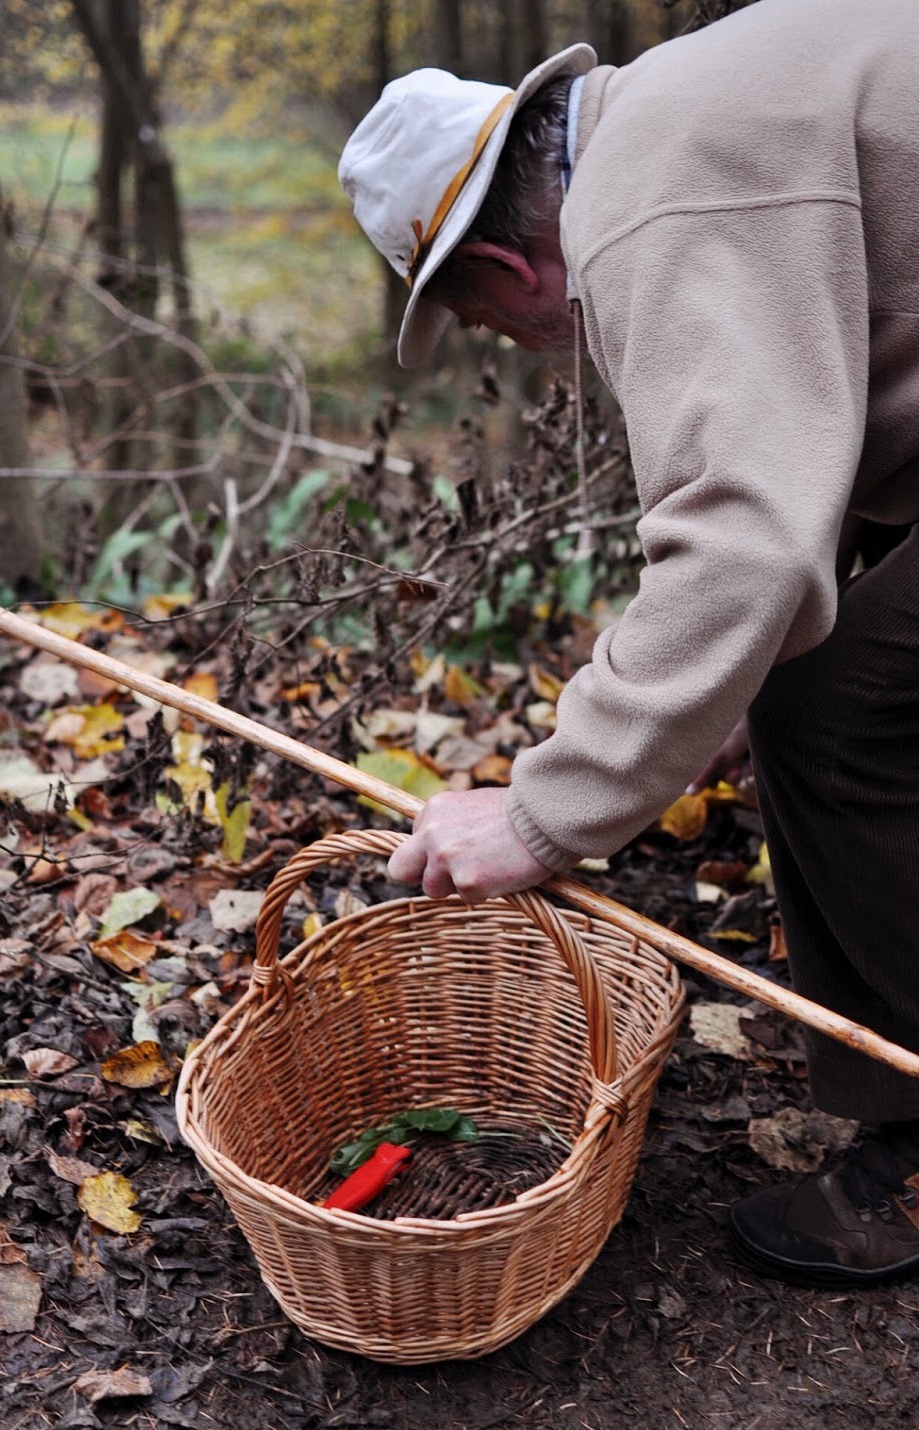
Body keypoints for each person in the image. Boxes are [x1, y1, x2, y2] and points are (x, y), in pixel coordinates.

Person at [338, 0, 919, 1287]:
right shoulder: (693, 108)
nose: (505, 341)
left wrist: (544, 813)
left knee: (838, 720)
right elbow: (828, 428)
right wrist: (730, 669)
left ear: (504, 269)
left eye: (479, 321)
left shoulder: (649, 204)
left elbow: (744, 539)